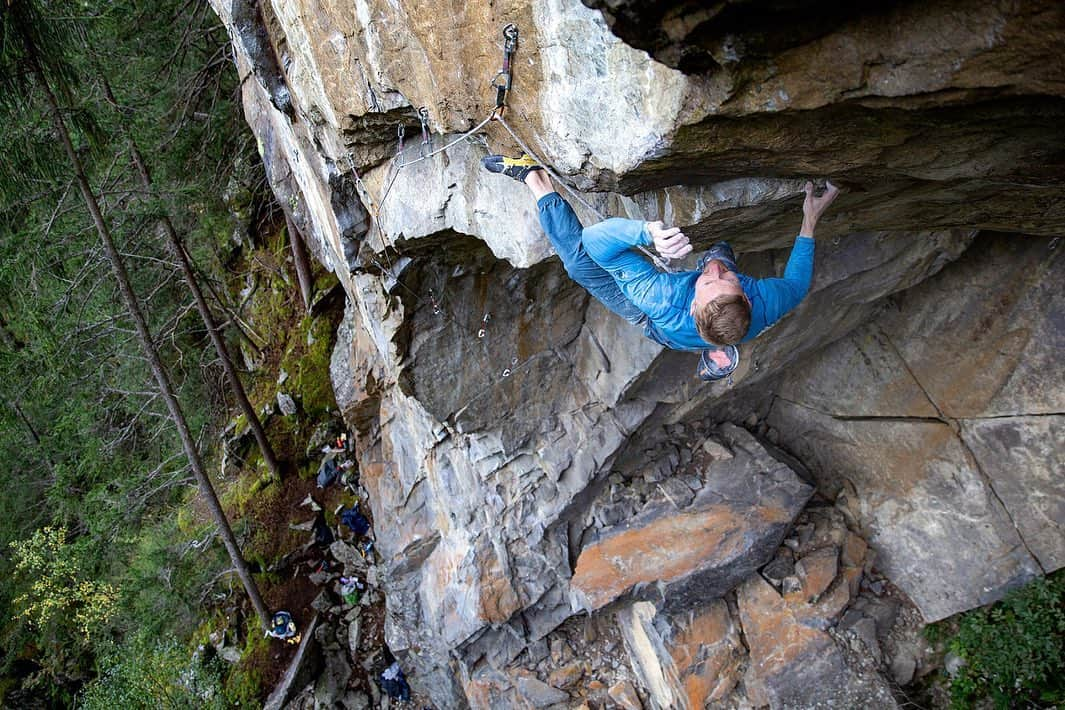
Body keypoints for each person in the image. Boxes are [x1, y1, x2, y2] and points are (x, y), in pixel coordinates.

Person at [482, 154, 840, 380]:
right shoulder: (767, 303)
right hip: (692, 315)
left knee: (578, 262)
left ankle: (532, 177)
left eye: (708, 282)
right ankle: (721, 250)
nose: (714, 274)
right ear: (747, 299)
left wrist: (646, 232)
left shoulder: (660, 299)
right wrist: (810, 219)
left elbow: (595, 242)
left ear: (693, 301)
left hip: (653, 322)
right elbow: (796, 284)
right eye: (726, 279)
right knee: (718, 253)